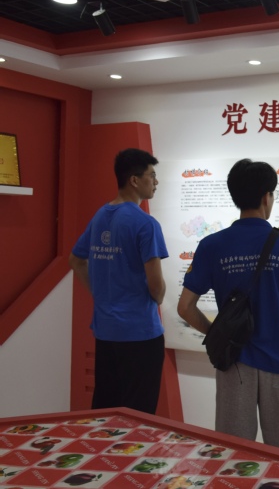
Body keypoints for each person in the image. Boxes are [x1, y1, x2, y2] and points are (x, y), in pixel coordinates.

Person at [177, 159, 279, 451]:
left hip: (234, 361)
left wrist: (217, 333)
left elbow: (185, 307)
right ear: (266, 197)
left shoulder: (212, 245)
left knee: (234, 452)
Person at [69, 148, 168, 414]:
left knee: (106, 413)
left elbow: (76, 260)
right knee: (139, 415)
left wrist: (99, 294)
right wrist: (159, 295)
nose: (156, 181)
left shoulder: (100, 215)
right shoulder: (146, 224)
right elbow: (157, 288)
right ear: (134, 180)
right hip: (140, 333)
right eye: (152, 175)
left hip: (106, 331)